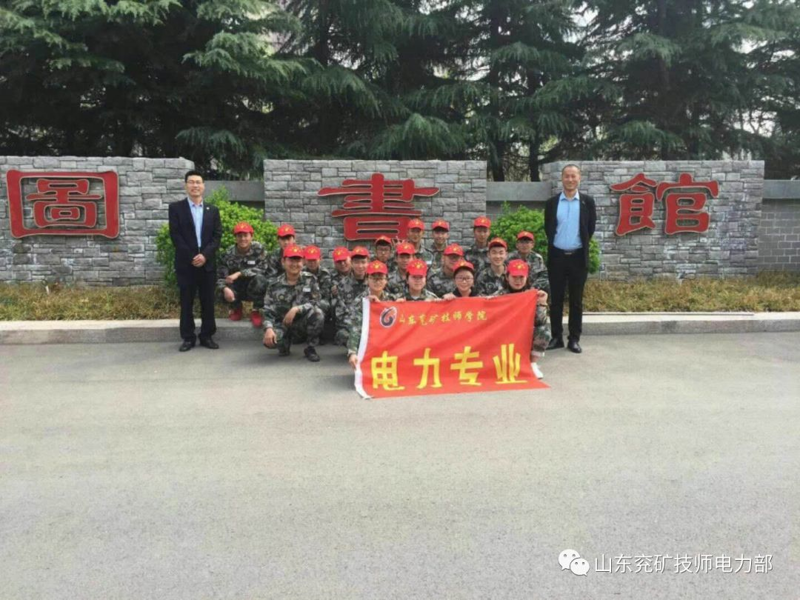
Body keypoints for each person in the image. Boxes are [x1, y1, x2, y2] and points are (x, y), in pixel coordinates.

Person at [545, 164, 596, 354]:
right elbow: (548, 228)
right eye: (567, 176)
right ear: (562, 178)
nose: (570, 179)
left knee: (576, 301)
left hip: (577, 257)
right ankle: (556, 336)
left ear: (579, 178)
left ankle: (574, 338)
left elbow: (589, 229)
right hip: (557, 256)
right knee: (556, 300)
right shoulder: (552, 203)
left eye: (573, 176)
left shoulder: (587, 202)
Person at [168, 170, 222, 352]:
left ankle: (207, 335)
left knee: (208, 302)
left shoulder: (212, 210)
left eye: (198, 182)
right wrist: (192, 256)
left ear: (203, 186)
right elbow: (175, 235)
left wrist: (205, 255)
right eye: (191, 182)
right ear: (186, 186)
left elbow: (217, 236)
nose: (195, 185)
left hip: (207, 265)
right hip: (186, 264)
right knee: (187, 302)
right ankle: (188, 338)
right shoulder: (176, 208)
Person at [261, 244, 324, 362]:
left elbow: (316, 301)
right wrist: (268, 329)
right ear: (283, 261)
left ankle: (310, 348)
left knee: (318, 313)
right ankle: (285, 342)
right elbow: (267, 309)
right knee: (271, 343)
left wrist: (296, 309)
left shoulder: (310, 279)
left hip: (301, 323)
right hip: (282, 324)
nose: (295, 264)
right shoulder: (274, 284)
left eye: (298, 260)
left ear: (303, 262)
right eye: (291, 260)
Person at [492, 259, 551, 379]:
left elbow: (540, 321)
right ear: (507, 277)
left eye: (521, 277)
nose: (518, 281)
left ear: (527, 278)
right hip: (503, 334)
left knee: (544, 331)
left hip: (523, 333)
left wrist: (542, 304)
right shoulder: (499, 295)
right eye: (514, 277)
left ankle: (532, 363)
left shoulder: (533, 295)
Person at [346, 260, 403, 369]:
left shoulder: (392, 300)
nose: (377, 282)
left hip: (389, 342)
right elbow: (355, 328)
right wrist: (352, 352)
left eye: (381, 278)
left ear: (386, 281)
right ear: (367, 280)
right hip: (369, 342)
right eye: (374, 278)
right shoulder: (360, 302)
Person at [216, 221, 268, 328]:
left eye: (245, 235)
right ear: (235, 237)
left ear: (251, 236)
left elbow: (264, 268)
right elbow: (221, 275)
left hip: (253, 286)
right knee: (220, 288)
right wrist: (225, 288)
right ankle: (236, 307)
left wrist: (240, 273)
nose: (243, 239)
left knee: (261, 279)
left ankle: (256, 310)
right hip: (236, 287)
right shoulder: (228, 253)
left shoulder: (259, 249)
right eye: (239, 236)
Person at [331, 246, 370, 346]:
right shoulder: (342, 285)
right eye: (356, 262)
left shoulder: (375, 281)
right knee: (342, 335)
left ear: (368, 263)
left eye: (363, 262)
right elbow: (341, 315)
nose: (360, 266)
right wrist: (359, 327)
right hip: (352, 326)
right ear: (351, 263)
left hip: (372, 325)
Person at [507, 230, 550, 295]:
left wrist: (534, 287)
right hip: (514, 289)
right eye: (521, 242)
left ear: (532, 245)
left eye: (527, 242)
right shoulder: (509, 258)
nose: (524, 245)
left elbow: (544, 275)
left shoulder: (537, 258)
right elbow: (505, 275)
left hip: (533, 289)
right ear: (517, 245)